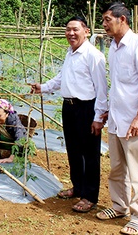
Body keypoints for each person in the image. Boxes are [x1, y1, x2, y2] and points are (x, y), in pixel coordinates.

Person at [31, 16, 108, 213]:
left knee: (90, 153)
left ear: (86, 31)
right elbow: (62, 76)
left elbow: (101, 89)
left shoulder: (93, 55)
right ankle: (78, 187)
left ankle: (90, 196)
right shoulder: (70, 52)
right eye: (68, 30)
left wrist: (99, 117)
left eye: (75, 29)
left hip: (86, 107)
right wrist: (44, 87)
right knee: (73, 150)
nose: (71, 33)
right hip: (69, 107)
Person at [96, 2, 138, 235]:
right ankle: (119, 206)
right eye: (103, 20)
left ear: (123, 20)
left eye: (107, 19)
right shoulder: (113, 46)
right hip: (116, 118)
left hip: (135, 121)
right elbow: (119, 86)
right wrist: (109, 110)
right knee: (117, 168)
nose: (104, 24)